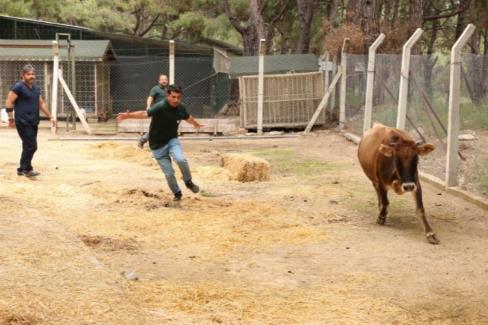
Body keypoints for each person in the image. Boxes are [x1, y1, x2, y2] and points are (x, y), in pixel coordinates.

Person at [117, 84, 203, 201]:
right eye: (173, 97)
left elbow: (188, 117)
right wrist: (128, 116)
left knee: (181, 159)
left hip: (172, 140)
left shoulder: (181, 107)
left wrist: (195, 124)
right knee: (169, 173)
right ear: (168, 96)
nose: (176, 100)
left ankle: (188, 182)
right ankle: (177, 193)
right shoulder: (160, 107)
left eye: (178, 97)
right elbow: (144, 113)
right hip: (157, 145)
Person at [5, 64, 56, 178]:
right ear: (23, 75)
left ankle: (24, 168)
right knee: (32, 146)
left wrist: (50, 116)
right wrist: (10, 118)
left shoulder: (36, 89)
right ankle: (25, 169)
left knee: (27, 145)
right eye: (29, 74)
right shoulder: (18, 87)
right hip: (22, 121)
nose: (31, 76)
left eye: (33, 74)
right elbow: (9, 101)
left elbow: (41, 103)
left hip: (33, 121)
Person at [138, 74, 169, 148]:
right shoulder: (155, 89)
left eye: (165, 80)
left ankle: (145, 140)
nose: (164, 81)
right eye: (162, 79)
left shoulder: (167, 90)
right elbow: (150, 98)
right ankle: (143, 140)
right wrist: (148, 106)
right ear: (159, 81)